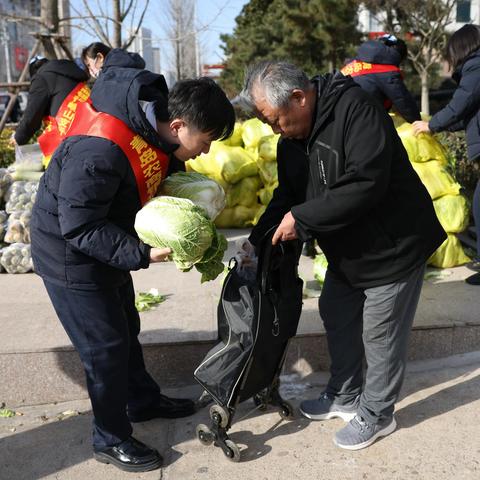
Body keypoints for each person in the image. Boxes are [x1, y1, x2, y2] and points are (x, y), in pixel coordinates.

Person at [30, 48, 235, 472]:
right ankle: (110, 437)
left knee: (126, 324)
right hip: (70, 253)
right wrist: (141, 253)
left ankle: (142, 401)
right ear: (178, 126)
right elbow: (79, 226)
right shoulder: (100, 150)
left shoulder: (149, 126)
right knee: (103, 347)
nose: (204, 152)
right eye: (206, 141)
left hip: (105, 237)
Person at [238, 61, 445, 450]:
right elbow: (289, 196)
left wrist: (303, 218)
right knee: (335, 310)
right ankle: (345, 393)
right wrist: (258, 239)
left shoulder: (357, 110)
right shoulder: (292, 141)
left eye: (276, 120)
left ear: (299, 98)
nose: (274, 130)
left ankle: (378, 413)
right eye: (267, 122)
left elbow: (366, 182)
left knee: (380, 333)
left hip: (393, 245)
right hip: (349, 249)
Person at [412, 24, 480, 286]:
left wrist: (432, 124)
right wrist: (438, 126)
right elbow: (468, 116)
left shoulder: (476, 67)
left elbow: (462, 102)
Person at [13, 55, 89, 158]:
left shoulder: (41, 78)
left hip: (72, 140)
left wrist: (19, 137)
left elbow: (33, 114)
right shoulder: (70, 72)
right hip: (92, 126)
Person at [342, 34, 421, 123]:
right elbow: (403, 101)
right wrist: (417, 121)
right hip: (359, 123)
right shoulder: (387, 71)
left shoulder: (352, 64)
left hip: (337, 121)